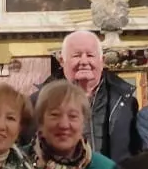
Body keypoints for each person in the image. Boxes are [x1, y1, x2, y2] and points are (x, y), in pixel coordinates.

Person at [39, 29, 139, 161]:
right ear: (62, 61)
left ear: (102, 61)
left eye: (90, 55)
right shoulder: (40, 102)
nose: (84, 61)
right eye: (77, 55)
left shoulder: (126, 102)